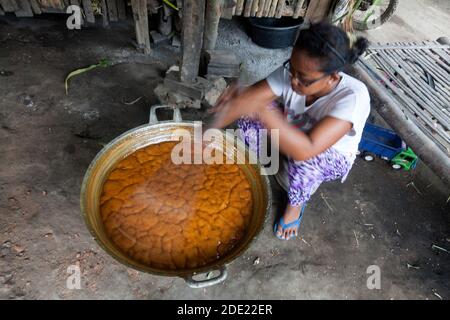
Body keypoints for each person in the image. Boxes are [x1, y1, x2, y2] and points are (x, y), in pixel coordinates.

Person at [210, 22, 371, 241]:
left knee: (303, 160)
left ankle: (295, 206)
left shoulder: (353, 97)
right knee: (250, 108)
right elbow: (248, 100)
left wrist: (262, 111)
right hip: (293, 129)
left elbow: (307, 149)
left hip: (327, 155)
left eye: (303, 78)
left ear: (332, 77)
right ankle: (259, 166)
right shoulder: (295, 73)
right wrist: (205, 133)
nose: (293, 81)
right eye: (291, 69)